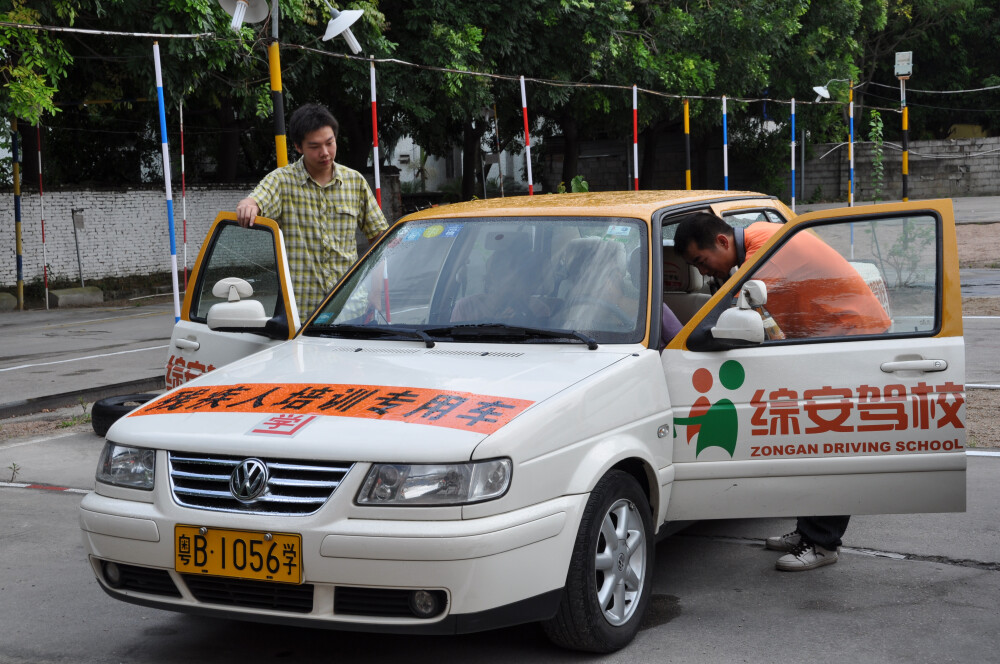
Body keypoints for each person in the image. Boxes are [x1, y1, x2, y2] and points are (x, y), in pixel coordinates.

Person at [673, 211, 891, 572]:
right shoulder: (759, 234)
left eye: (702, 261)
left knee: (829, 448)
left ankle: (822, 544)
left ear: (723, 242)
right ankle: (809, 531)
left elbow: (720, 321)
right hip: (831, 339)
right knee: (811, 442)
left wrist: (684, 341)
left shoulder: (761, 263)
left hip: (853, 337)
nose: (705, 271)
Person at [236, 103, 388, 316]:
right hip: (302, 315)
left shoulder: (355, 182)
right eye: (315, 146)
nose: (325, 153)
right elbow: (257, 199)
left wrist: (375, 293)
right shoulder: (282, 181)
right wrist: (248, 205)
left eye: (330, 143)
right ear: (298, 147)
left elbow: (380, 238)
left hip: (350, 308)